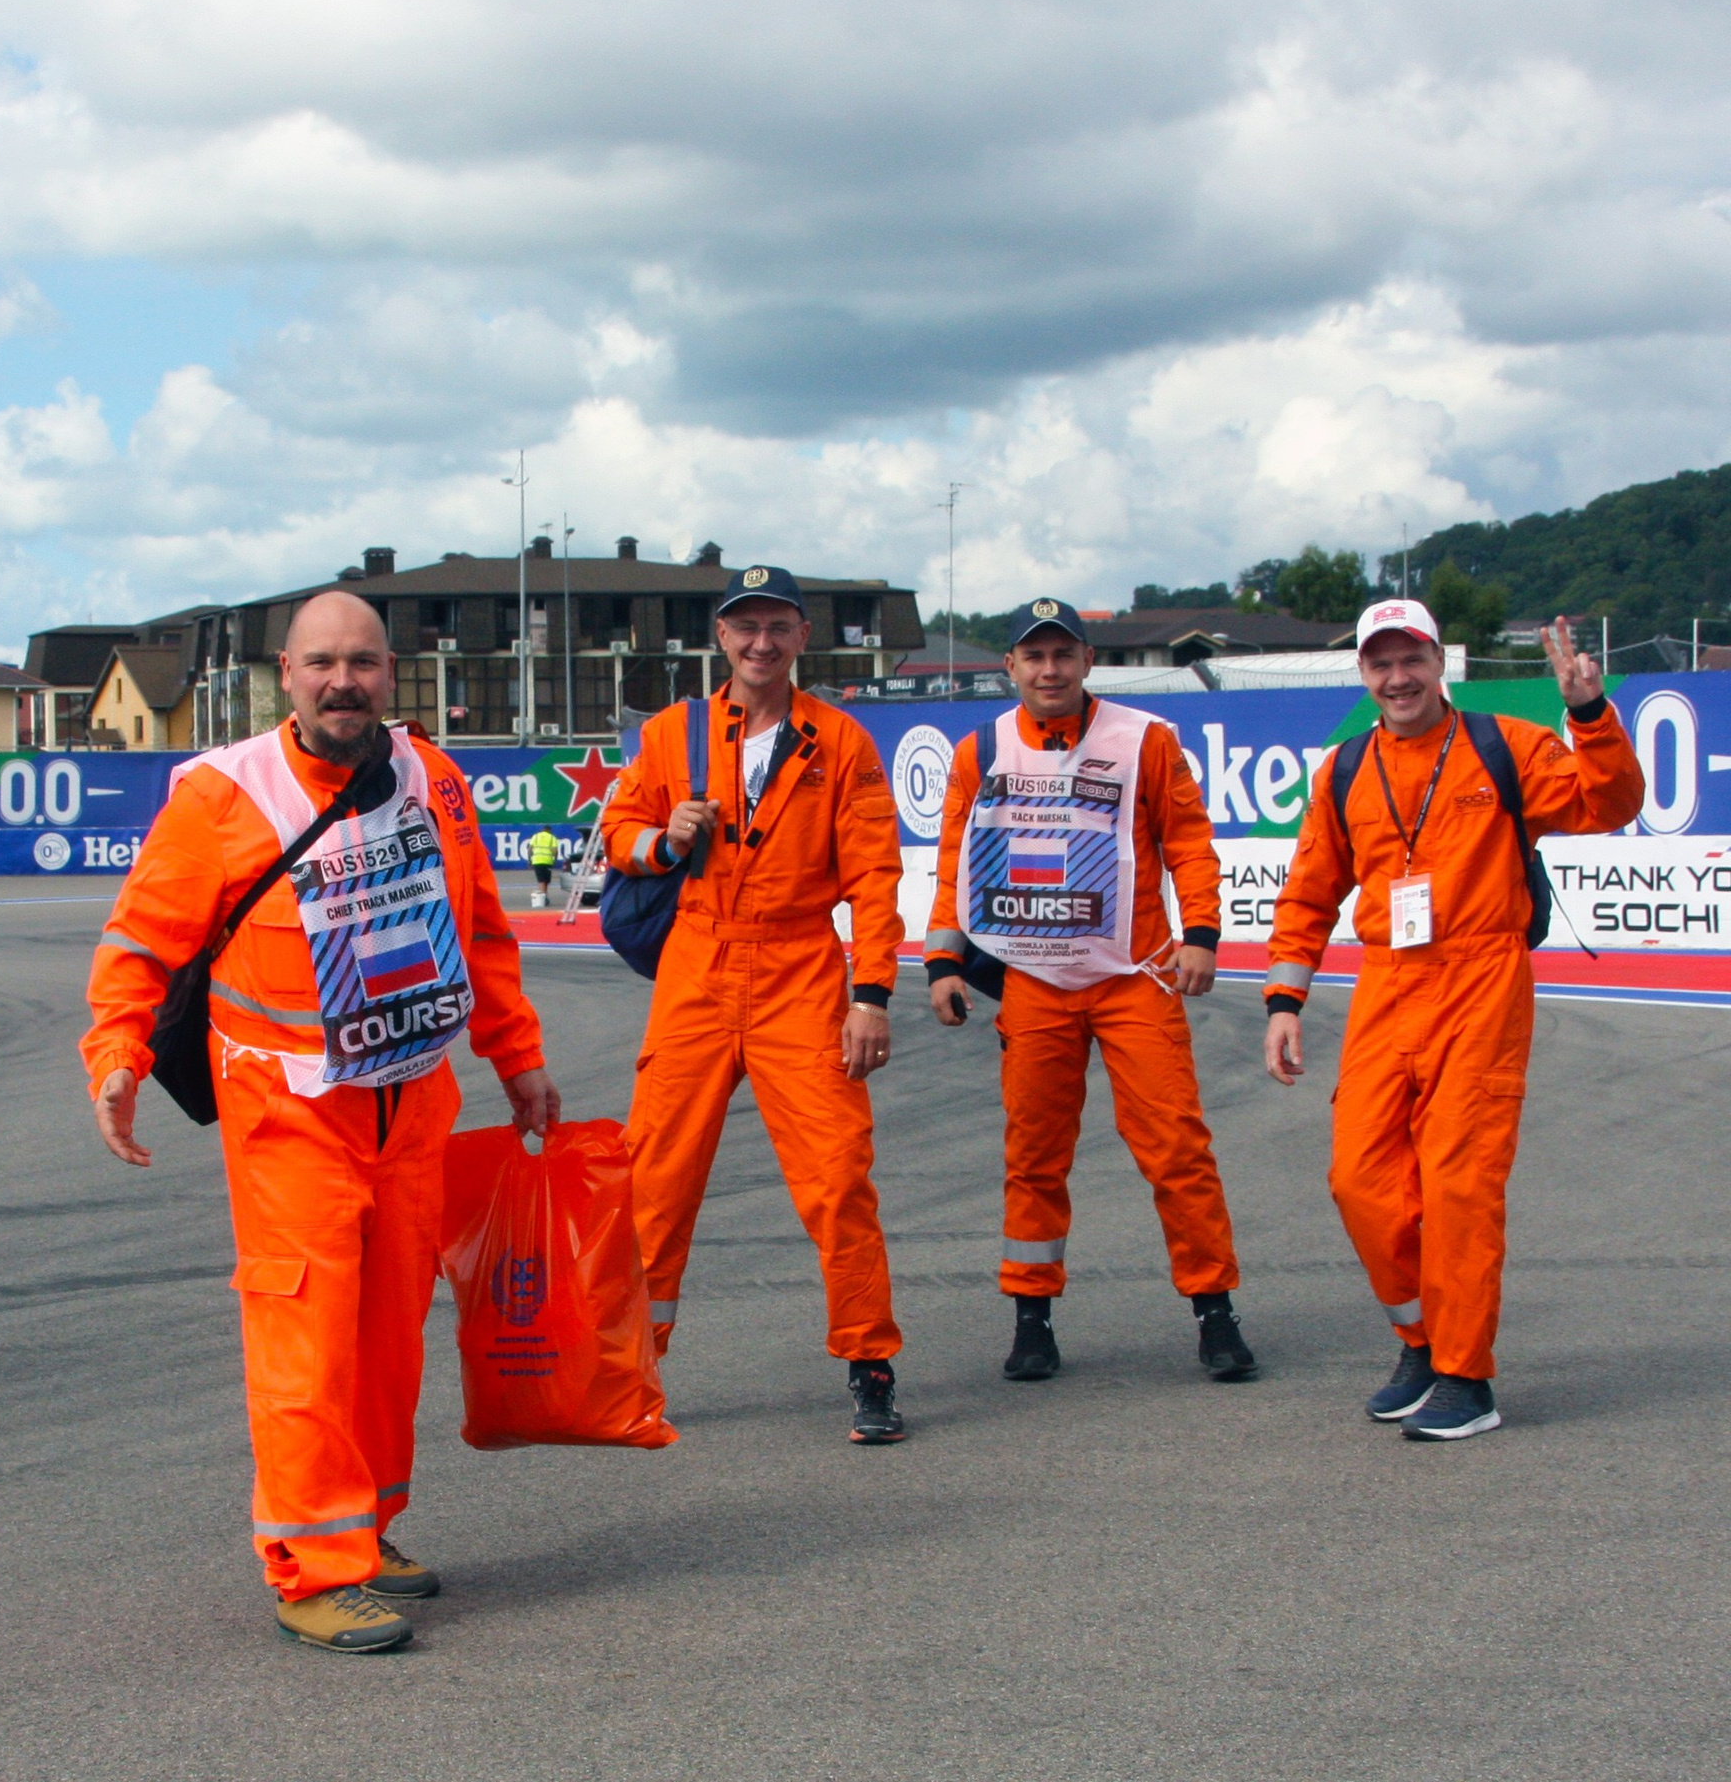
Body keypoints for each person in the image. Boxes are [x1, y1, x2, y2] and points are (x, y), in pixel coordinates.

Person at [84, 590, 558, 1655]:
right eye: (321, 663)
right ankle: (310, 1564)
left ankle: (368, 1524)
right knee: (304, 1333)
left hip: (414, 1100)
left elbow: (480, 926)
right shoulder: (222, 791)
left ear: (392, 673)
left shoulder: (432, 776)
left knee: (388, 1332)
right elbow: (141, 939)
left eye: (363, 662)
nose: (343, 680)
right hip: (287, 1107)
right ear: (284, 674)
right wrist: (115, 1054)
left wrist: (518, 1061)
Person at [1264, 603, 1642, 1440]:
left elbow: (1610, 803)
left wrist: (1588, 713)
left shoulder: (1509, 744)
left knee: (1459, 1182)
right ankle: (1422, 1339)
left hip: (1482, 976)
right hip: (1387, 985)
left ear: (1440, 661)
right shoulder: (1343, 770)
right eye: (1380, 663)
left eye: (1411, 660)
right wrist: (1284, 1002)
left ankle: (1467, 1376)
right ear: (1363, 673)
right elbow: (1309, 891)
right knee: (1359, 1180)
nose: (1397, 678)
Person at [597, 565, 910, 1444]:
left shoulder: (840, 742)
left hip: (801, 967)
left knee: (839, 1177)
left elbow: (877, 877)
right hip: (697, 962)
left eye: (778, 627)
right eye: (746, 627)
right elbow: (619, 833)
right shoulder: (675, 732)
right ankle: (632, 1372)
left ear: (802, 636)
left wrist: (872, 993)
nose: (761, 642)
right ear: (722, 637)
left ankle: (869, 1361)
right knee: (654, 1180)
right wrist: (665, 841)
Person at [925, 599, 1255, 1383]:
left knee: (1177, 1148)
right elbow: (953, 864)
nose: (1049, 670)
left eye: (1062, 654)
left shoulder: (1146, 738)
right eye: (1033, 656)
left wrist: (1201, 935)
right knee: (1033, 1155)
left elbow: (1189, 842)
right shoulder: (980, 749)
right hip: (1033, 982)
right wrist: (942, 962)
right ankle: (1031, 1316)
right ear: (1009, 666)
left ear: (1087, 659)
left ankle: (1216, 1312)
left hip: (1136, 977)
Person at [527, 825, 562, 909]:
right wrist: (555, 859)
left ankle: (544, 896)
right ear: (549, 830)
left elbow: (530, 849)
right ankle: (543, 897)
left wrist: (529, 860)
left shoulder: (535, 837)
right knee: (544, 880)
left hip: (537, 860)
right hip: (547, 861)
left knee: (542, 880)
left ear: (542, 830)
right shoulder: (552, 838)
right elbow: (555, 850)